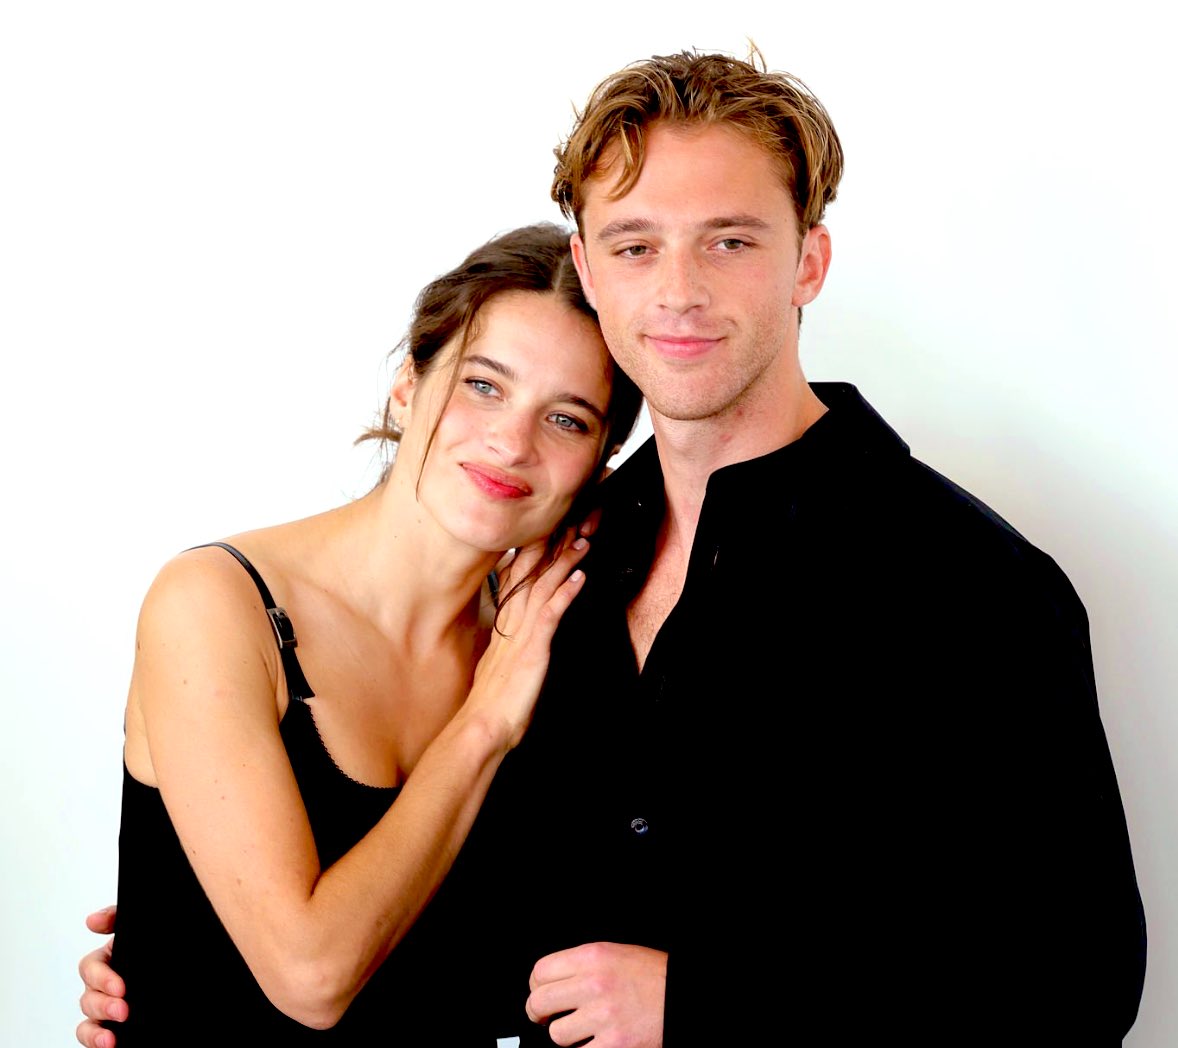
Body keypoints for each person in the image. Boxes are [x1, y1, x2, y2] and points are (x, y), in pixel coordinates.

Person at [80, 51, 1147, 1046]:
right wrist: (189, 939)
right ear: (589, 268)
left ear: (808, 262)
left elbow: (1078, 982)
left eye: (729, 241)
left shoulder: (973, 587)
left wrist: (704, 1003)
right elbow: (471, 918)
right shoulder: (548, 573)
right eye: (637, 245)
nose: (678, 290)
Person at [75, 222, 641, 1045]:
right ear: (408, 386)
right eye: (484, 386)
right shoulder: (216, 604)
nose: (511, 442)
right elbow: (311, 979)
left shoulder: (550, 642)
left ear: (602, 462)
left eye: (566, 419)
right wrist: (484, 722)